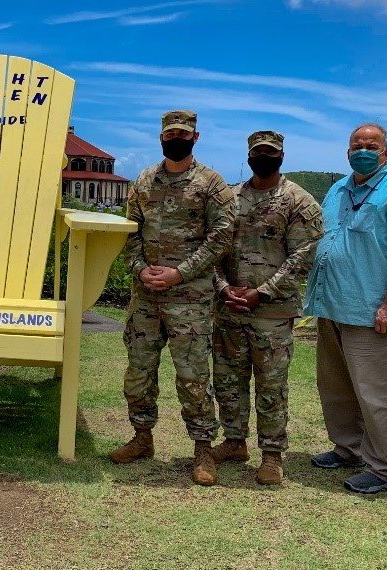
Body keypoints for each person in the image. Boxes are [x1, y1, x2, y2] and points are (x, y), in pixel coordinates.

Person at [303, 122, 387, 493]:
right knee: (337, 387)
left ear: (386, 153)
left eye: (371, 145)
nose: (363, 150)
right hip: (332, 306)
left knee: (378, 395)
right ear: (347, 152)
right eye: (356, 144)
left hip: (375, 313)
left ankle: (383, 470)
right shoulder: (337, 189)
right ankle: (347, 449)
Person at [110, 109, 236, 486]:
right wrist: (138, 269)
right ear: (161, 136)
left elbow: (222, 237)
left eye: (182, 133)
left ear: (195, 138)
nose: (174, 138)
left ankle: (203, 450)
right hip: (146, 297)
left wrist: (179, 272)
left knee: (193, 377)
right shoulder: (145, 180)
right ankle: (142, 437)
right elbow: (129, 232)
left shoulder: (213, 184)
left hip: (190, 300)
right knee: (139, 372)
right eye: (169, 133)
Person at [211, 131, 323, 485]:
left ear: (281, 155)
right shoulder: (229, 199)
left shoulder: (298, 202)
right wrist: (223, 287)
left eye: (270, 152)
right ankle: (233, 442)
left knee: (271, 384)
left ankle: (272, 454)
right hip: (230, 308)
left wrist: (262, 292)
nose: (263, 156)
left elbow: (302, 258)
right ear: (248, 155)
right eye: (257, 151)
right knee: (228, 379)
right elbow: (212, 248)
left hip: (272, 313)